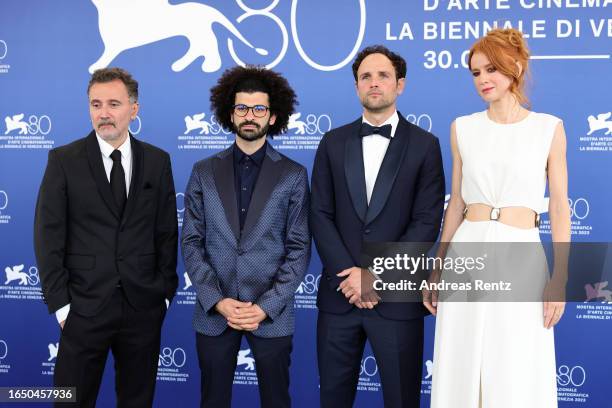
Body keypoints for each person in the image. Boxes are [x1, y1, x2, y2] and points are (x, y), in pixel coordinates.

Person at [426, 28, 570, 408]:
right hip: (466, 254)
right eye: (475, 73)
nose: (483, 80)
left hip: (522, 256)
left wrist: (560, 279)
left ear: (516, 69)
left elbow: (558, 206)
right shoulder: (463, 128)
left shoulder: (549, 128)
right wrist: (437, 267)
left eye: (491, 69)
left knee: (515, 366)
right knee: (461, 362)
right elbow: (455, 203)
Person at [34, 67, 178, 407]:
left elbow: (166, 233)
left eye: (113, 103)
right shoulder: (63, 160)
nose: (104, 113)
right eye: (96, 104)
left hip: (143, 306)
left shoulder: (158, 161)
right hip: (83, 307)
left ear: (134, 108)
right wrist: (62, 305)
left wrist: (164, 294)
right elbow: (47, 235)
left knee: (137, 401)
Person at [311, 45, 446, 408]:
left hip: (396, 299)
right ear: (356, 86)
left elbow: (426, 222)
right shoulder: (331, 142)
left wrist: (374, 275)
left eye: (383, 75)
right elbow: (319, 214)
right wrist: (351, 277)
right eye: (365, 77)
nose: (374, 83)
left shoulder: (425, 146)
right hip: (340, 297)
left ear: (399, 84)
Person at [181, 65, 311, 408]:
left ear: (272, 116)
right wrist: (218, 300)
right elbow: (191, 242)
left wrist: (265, 306)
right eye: (242, 108)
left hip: (271, 313)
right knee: (212, 401)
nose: (249, 116)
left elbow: (299, 248)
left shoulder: (294, 175)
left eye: (258, 109)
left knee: (276, 401)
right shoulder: (203, 171)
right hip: (215, 313)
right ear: (230, 112)